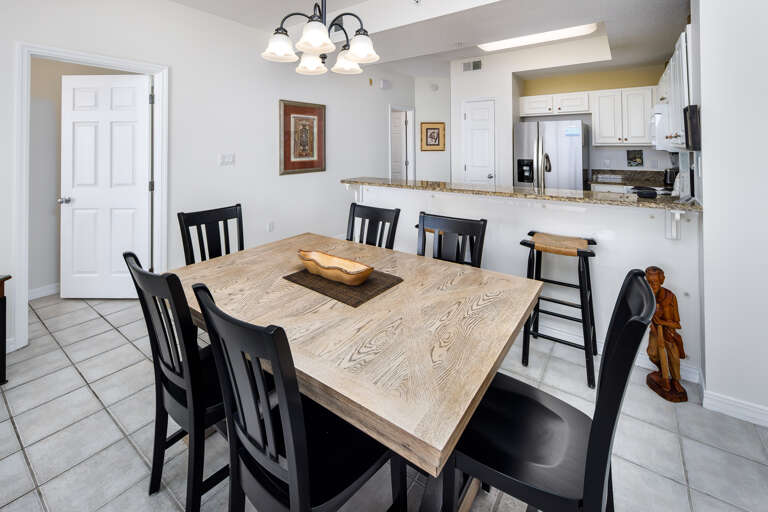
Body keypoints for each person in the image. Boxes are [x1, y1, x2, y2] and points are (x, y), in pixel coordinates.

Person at [645, 266, 687, 399]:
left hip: (669, 333)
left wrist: (662, 322)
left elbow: (677, 324)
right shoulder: (648, 296)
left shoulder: (670, 297)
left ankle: (675, 381)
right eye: (649, 283)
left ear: (661, 281)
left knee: (674, 359)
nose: (652, 286)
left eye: (655, 282)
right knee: (652, 353)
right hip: (655, 332)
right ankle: (662, 372)